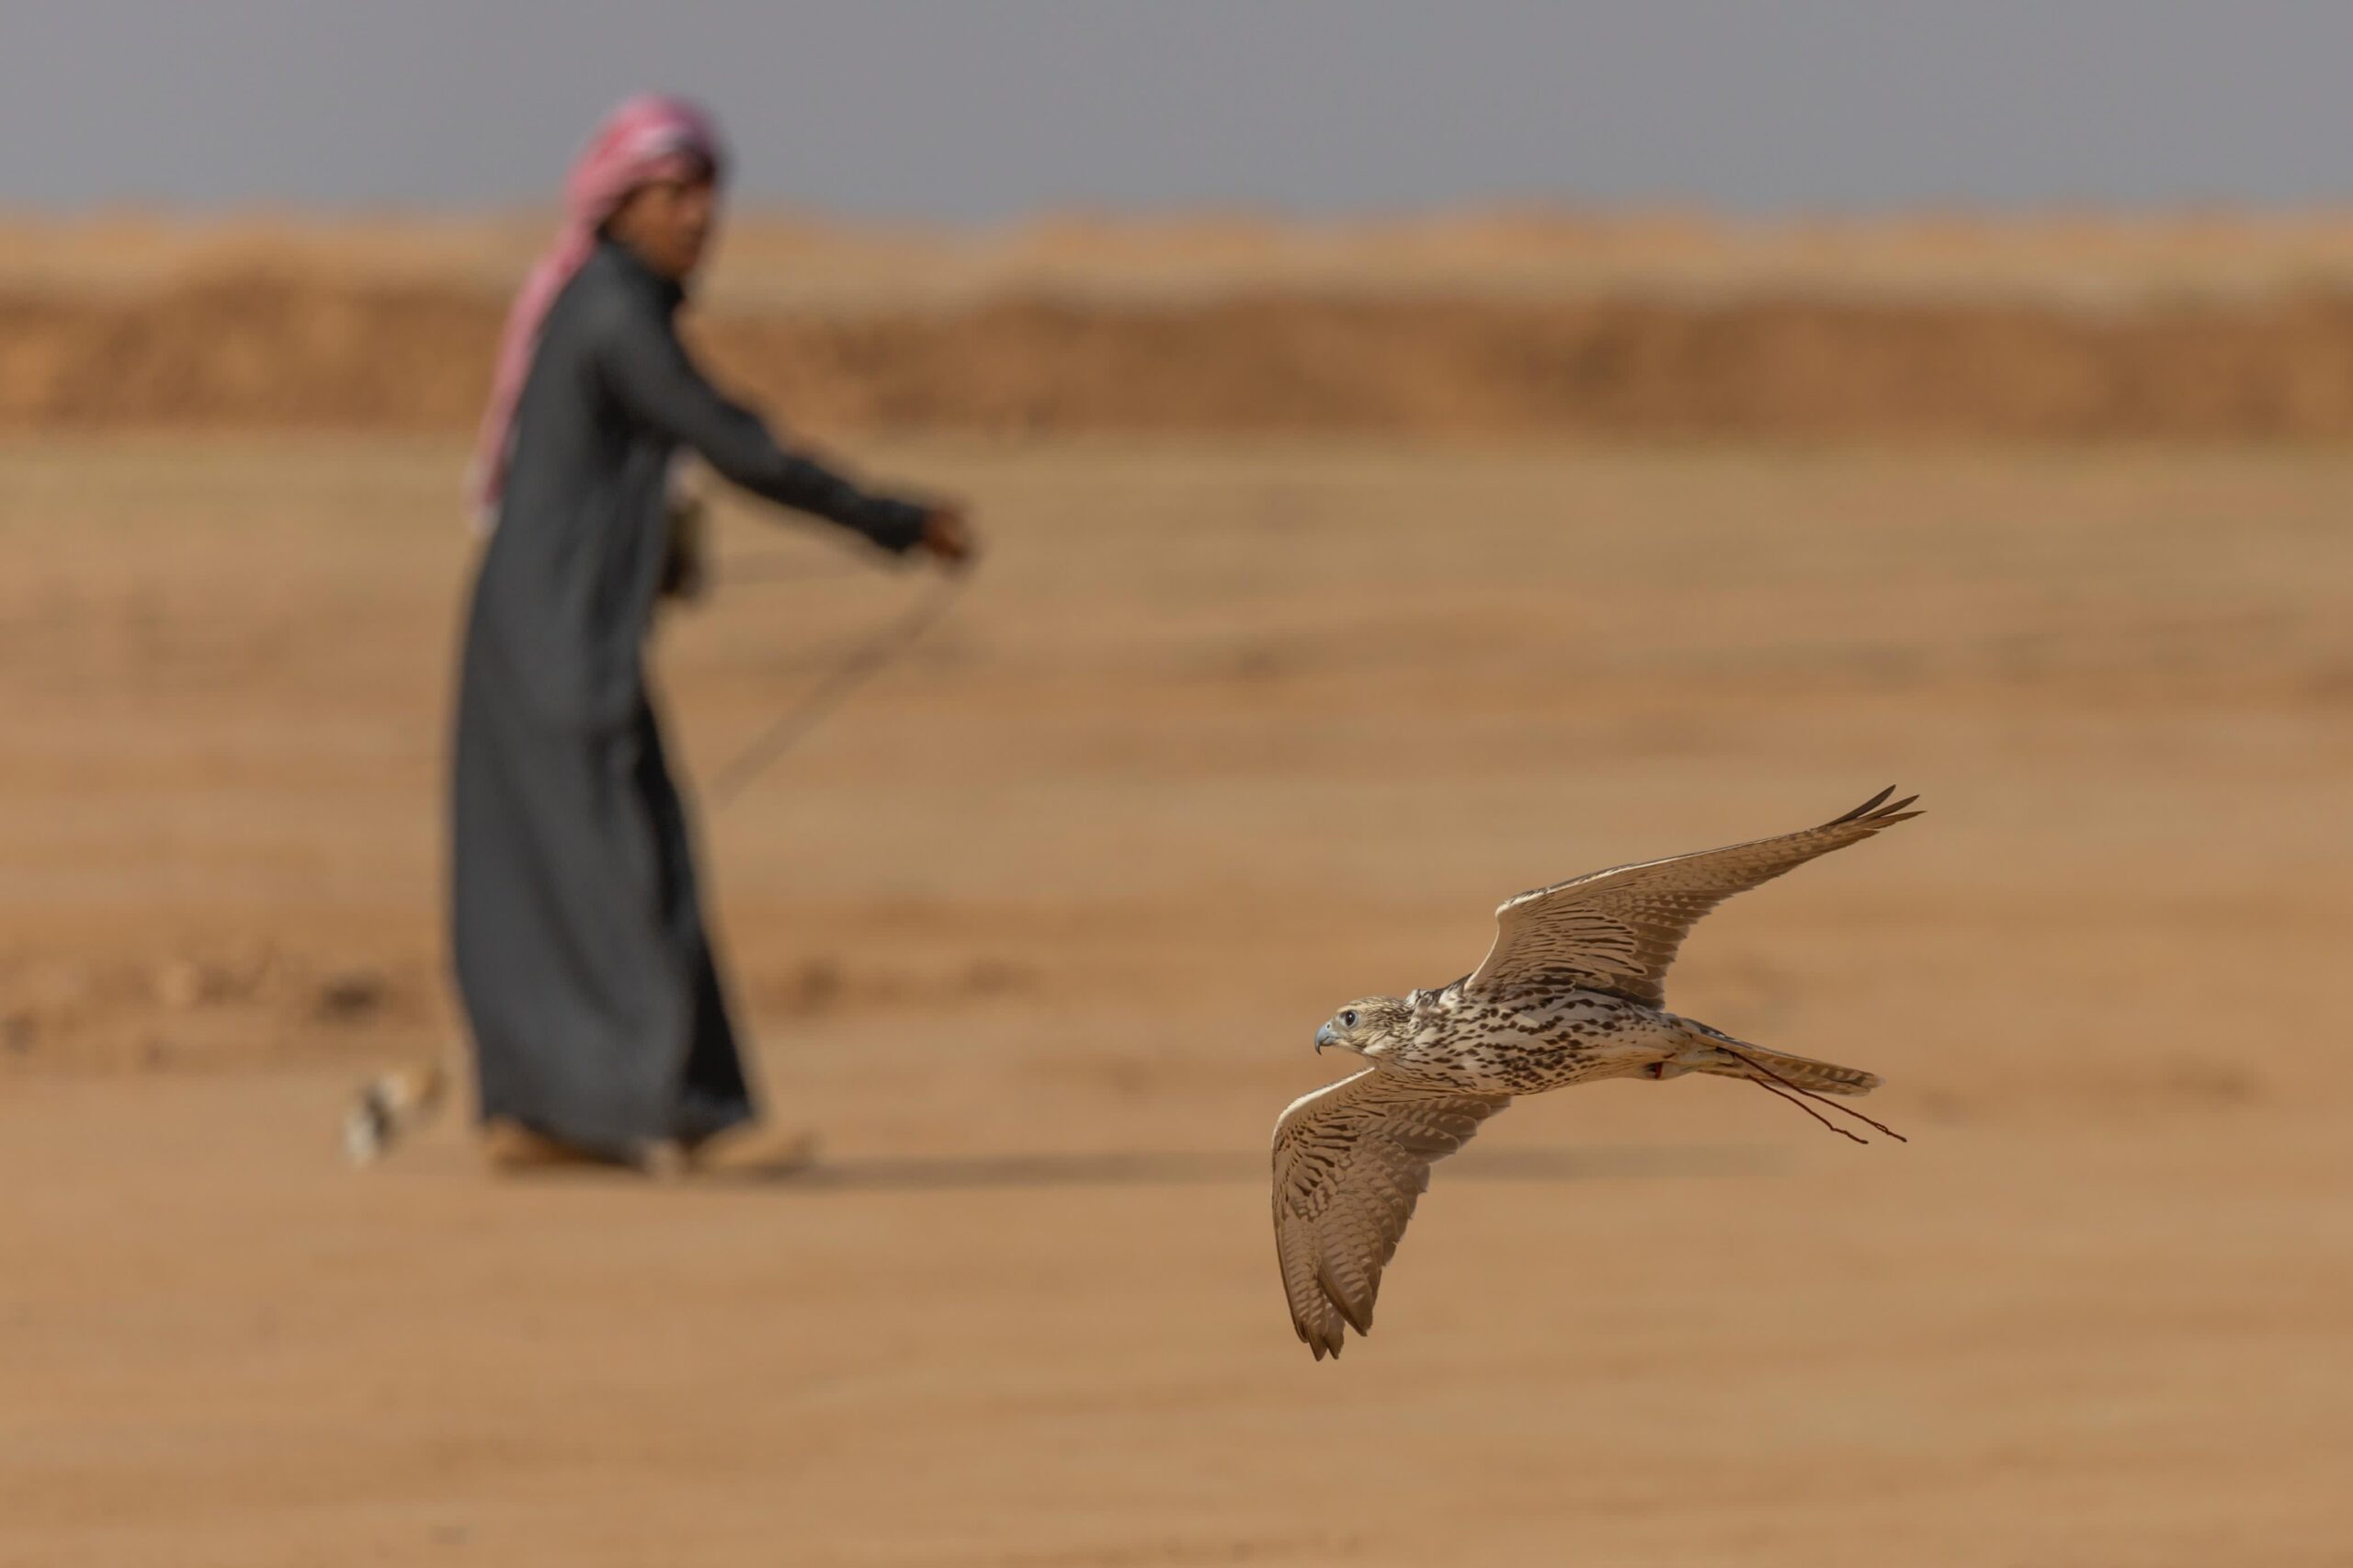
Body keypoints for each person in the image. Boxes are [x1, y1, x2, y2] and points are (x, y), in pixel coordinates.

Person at [449, 95, 970, 1169]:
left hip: (540, 627)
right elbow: (738, 444)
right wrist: (893, 520)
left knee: (560, 860)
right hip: (556, 641)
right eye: (674, 194)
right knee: (636, 863)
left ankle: (546, 1109)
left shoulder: (601, 304)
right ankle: (697, 1113)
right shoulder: (613, 314)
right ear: (620, 202)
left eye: (708, 195)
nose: (698, 216)